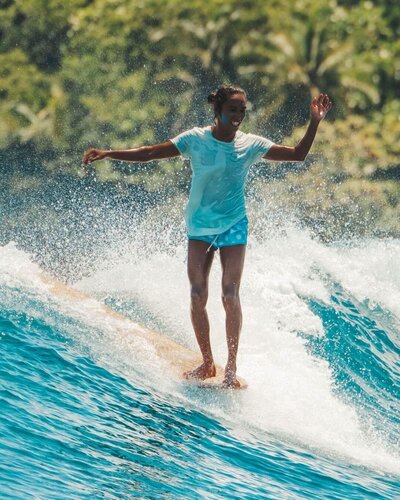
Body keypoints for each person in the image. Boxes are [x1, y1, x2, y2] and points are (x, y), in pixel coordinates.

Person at [82, 84, 332, 388]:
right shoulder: (195, 140)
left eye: (242, 110)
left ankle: (230, 369)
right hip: (199, 226)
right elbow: (150, 153)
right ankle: (207, 363)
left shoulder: (250, 144)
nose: (238, 115)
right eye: (232, 110)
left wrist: (315, 121)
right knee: (198, 294)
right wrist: (110, 153)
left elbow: (297, 154)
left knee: (229, 293)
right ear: (218, 110)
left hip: (233, 225)